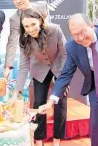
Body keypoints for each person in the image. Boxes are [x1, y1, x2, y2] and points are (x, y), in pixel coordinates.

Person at [39, 13, 98, 146]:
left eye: (83, 31)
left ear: (92, 25)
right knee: (96, 129)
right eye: (75, 35)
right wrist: (50, 102)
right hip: (96, 88)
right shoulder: (72, 46)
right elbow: (66, 74)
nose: (81, 38)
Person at [9, 9, 67, 146]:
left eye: (33, 24)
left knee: (60, 102)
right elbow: (23, 67)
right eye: (26, 26)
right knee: (38, 103)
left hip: (58, 67)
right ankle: (39, 141)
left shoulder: (55, 30)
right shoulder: (23, 40)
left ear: (40, 21)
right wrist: (15, 93)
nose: (30, 29)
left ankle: (56, 141)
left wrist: (64, 79)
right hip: (39, 70)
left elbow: (65, 54)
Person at [3, 0, 49, 80]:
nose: (18, 0)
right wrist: (8, 66)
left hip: (47, 46)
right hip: (30, 50)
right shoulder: (14, 19)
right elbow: (12, 41)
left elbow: (49, 28)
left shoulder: (42, 6)